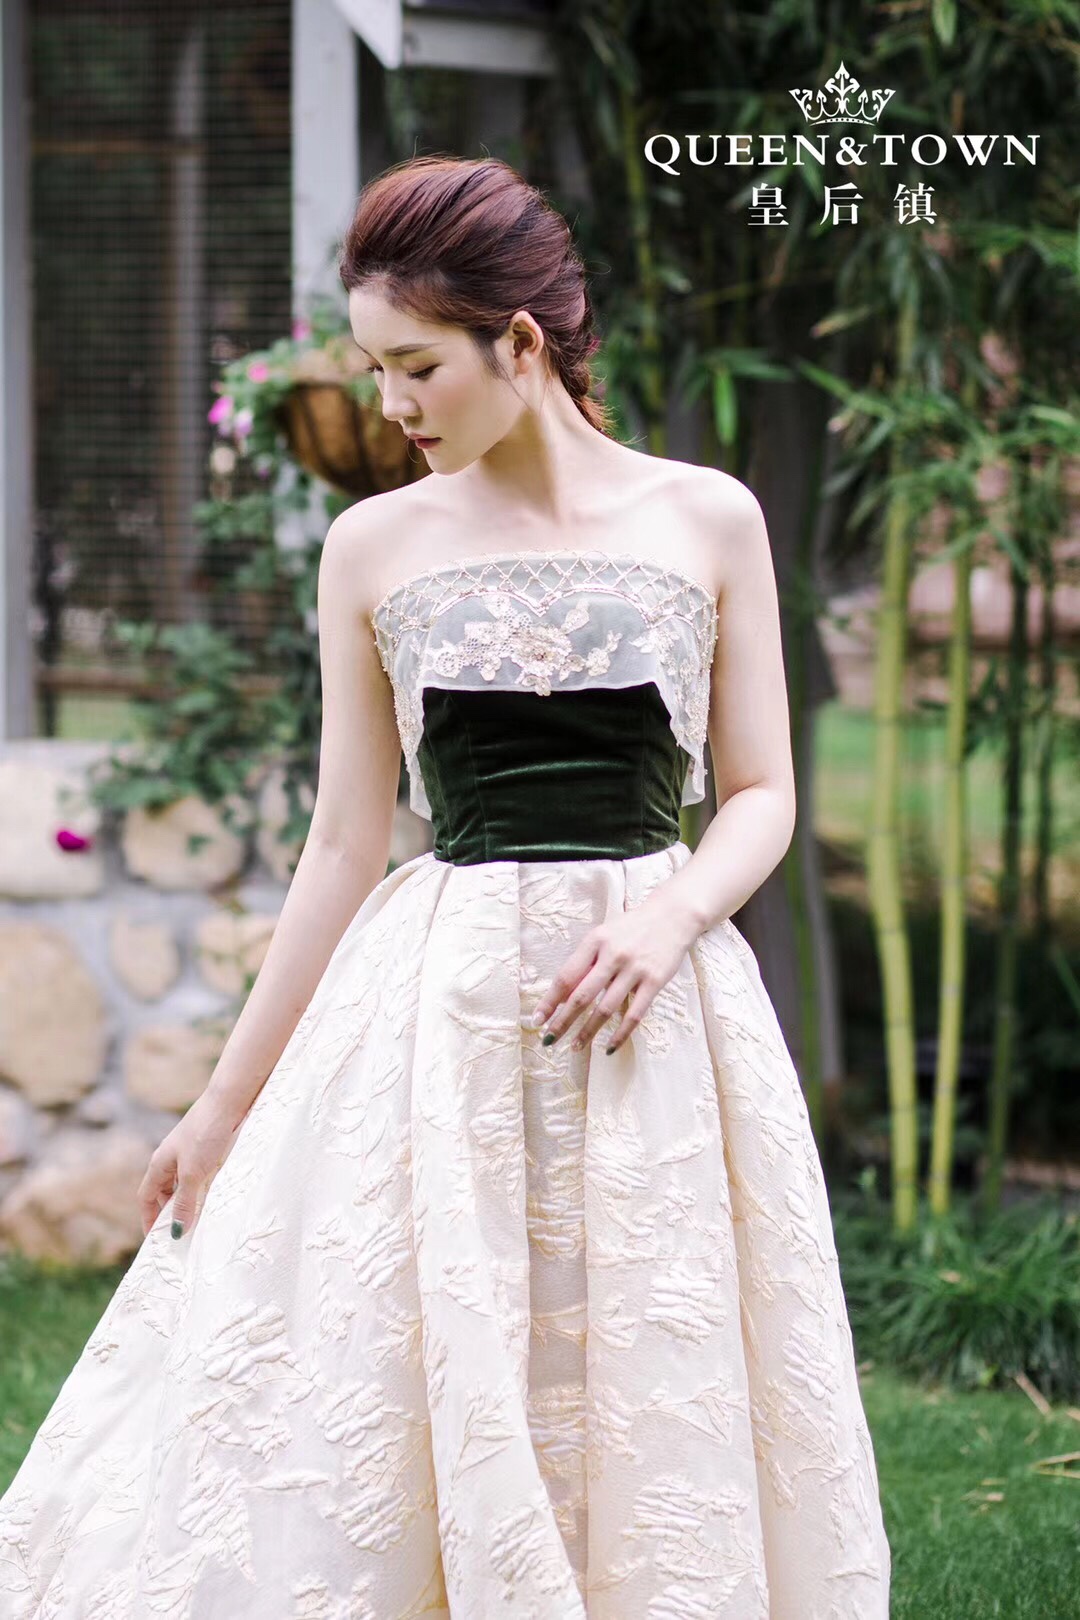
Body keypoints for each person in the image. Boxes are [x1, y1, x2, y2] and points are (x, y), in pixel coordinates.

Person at [0, 154, 891, 1617]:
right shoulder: (376, 547)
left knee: (642, 1349)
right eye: (375, 369)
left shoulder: (707, 519)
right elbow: (345, 843)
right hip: (442, 1011)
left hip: (652, 1010)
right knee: (411, 1358)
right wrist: (221, 1107)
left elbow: (764, 794)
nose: (392, 405)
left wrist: (672, 918)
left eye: (417, 367)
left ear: (519, 344)